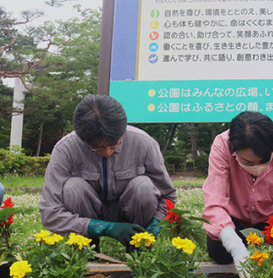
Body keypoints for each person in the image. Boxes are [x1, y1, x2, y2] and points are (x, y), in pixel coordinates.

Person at [39, 95, 177, 250]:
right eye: (97, 147)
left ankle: (140, 247)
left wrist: (155, 226)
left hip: (133, 213)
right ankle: (87, 250)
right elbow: (50, 212)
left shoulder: (144, 143)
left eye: (113, 144)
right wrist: (104, 227)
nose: (107, 152)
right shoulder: (66, 149)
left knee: (143, 186)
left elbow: (168, 196)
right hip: (88, 217)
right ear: (83, 139)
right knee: (73, 187)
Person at [202, 111, 273, 275]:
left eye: (263, 161)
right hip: (233, 219)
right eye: (247, 161)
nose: (256, 167)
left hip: (269, 220)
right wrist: (235, 246)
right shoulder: (222, 145)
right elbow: (215, 203)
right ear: (235, 150)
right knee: (220, 251)